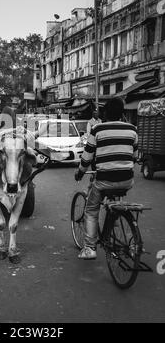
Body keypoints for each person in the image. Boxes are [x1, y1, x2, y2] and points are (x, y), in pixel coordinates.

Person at [74, 98, 138, 260]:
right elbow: (135, 157)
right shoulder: (132, 129)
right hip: (127, 180)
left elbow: (87, 159)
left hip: (104, 181)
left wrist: (80, 173)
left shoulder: (97, 129)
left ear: (105, 113)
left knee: (91, 210)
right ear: (122, 113)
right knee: (116, 203)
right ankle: (126, 237)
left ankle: (89, 247)